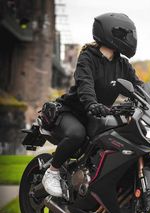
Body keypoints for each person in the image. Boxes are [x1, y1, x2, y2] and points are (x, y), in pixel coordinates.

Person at [42, 12, 142, 198]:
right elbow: (85, 83)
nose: (129, 39)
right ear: (110, 34)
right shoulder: (88, 57)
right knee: (77, 134)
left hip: (99, 114)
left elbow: (139, 87)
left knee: (119, 142)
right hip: (73, 111)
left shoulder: (123, 65)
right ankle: (52, 172)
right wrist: (92, 103)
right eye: (125, 35)